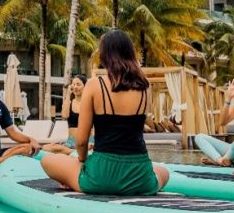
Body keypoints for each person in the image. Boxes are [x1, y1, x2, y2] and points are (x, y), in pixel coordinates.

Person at [40, 30, 169, 195]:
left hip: (101, 175)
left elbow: (81, 141)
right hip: (139, 175)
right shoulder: (145, 86)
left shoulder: (94, 85)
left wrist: (82, 162)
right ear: (130, 53)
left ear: (104, 55)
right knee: (164, 172)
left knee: (47, 160)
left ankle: (75, 180)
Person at [42, 74, 87, 154]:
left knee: (56, 149)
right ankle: (72, 152)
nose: (75, 87)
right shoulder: (69, 103)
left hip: (85, 142)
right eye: (73, 84)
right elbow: (65, 115)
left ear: (85, 86)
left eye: (78, 84)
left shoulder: (89, 103)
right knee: (45, 148)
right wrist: (68, 94)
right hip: (71, 142)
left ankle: (72, 152)